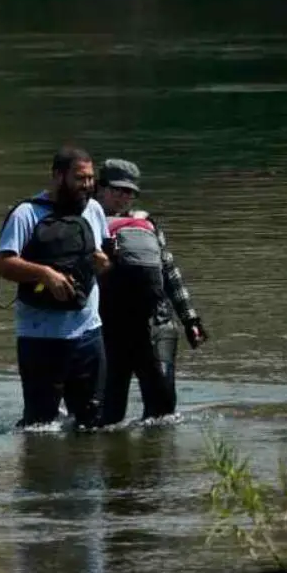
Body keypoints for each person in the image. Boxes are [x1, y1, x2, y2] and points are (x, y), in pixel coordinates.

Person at [0, 146, 112, 429]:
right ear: (58, 176)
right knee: (40, 426)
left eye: (90, 179)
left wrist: (103, 262)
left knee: (93, 421)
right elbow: (2, 263)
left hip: (88, 333)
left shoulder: (93, 210)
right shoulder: (26, 213)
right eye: (80, 178)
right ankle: (41, 471)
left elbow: (104, 261)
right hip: (40, 337)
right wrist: (45, 274)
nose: (87, 185)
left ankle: (86, 470)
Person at [94, 159, 209, 426]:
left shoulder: (146, 224)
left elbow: (170, 272)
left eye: (130, 192)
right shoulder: (85, 221)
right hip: (109, 328)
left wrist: (190, 319)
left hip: (156, 324)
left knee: (162, 415)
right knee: (107, 417)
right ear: (99, 188)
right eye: (118, 190)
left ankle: (158, 465)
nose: (125, 197)